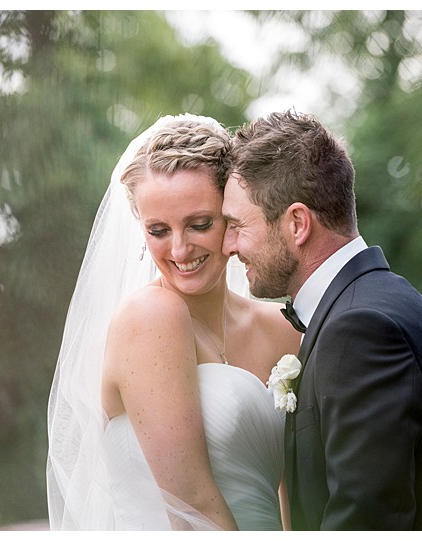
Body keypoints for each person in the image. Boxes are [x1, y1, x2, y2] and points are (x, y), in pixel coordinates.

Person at [221, 109, 422, 530]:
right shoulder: (375, 305)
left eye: (237, 225)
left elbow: (365, 521)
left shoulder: (361, 330)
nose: (228, 245)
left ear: (296, 223)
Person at [46, 114, 300, 530]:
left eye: (199, 224)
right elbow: (193, 506)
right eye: (159, 230)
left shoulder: (284, 327)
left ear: (231, 215)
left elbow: (297, 500)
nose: (180, 249)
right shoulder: (150, 319)